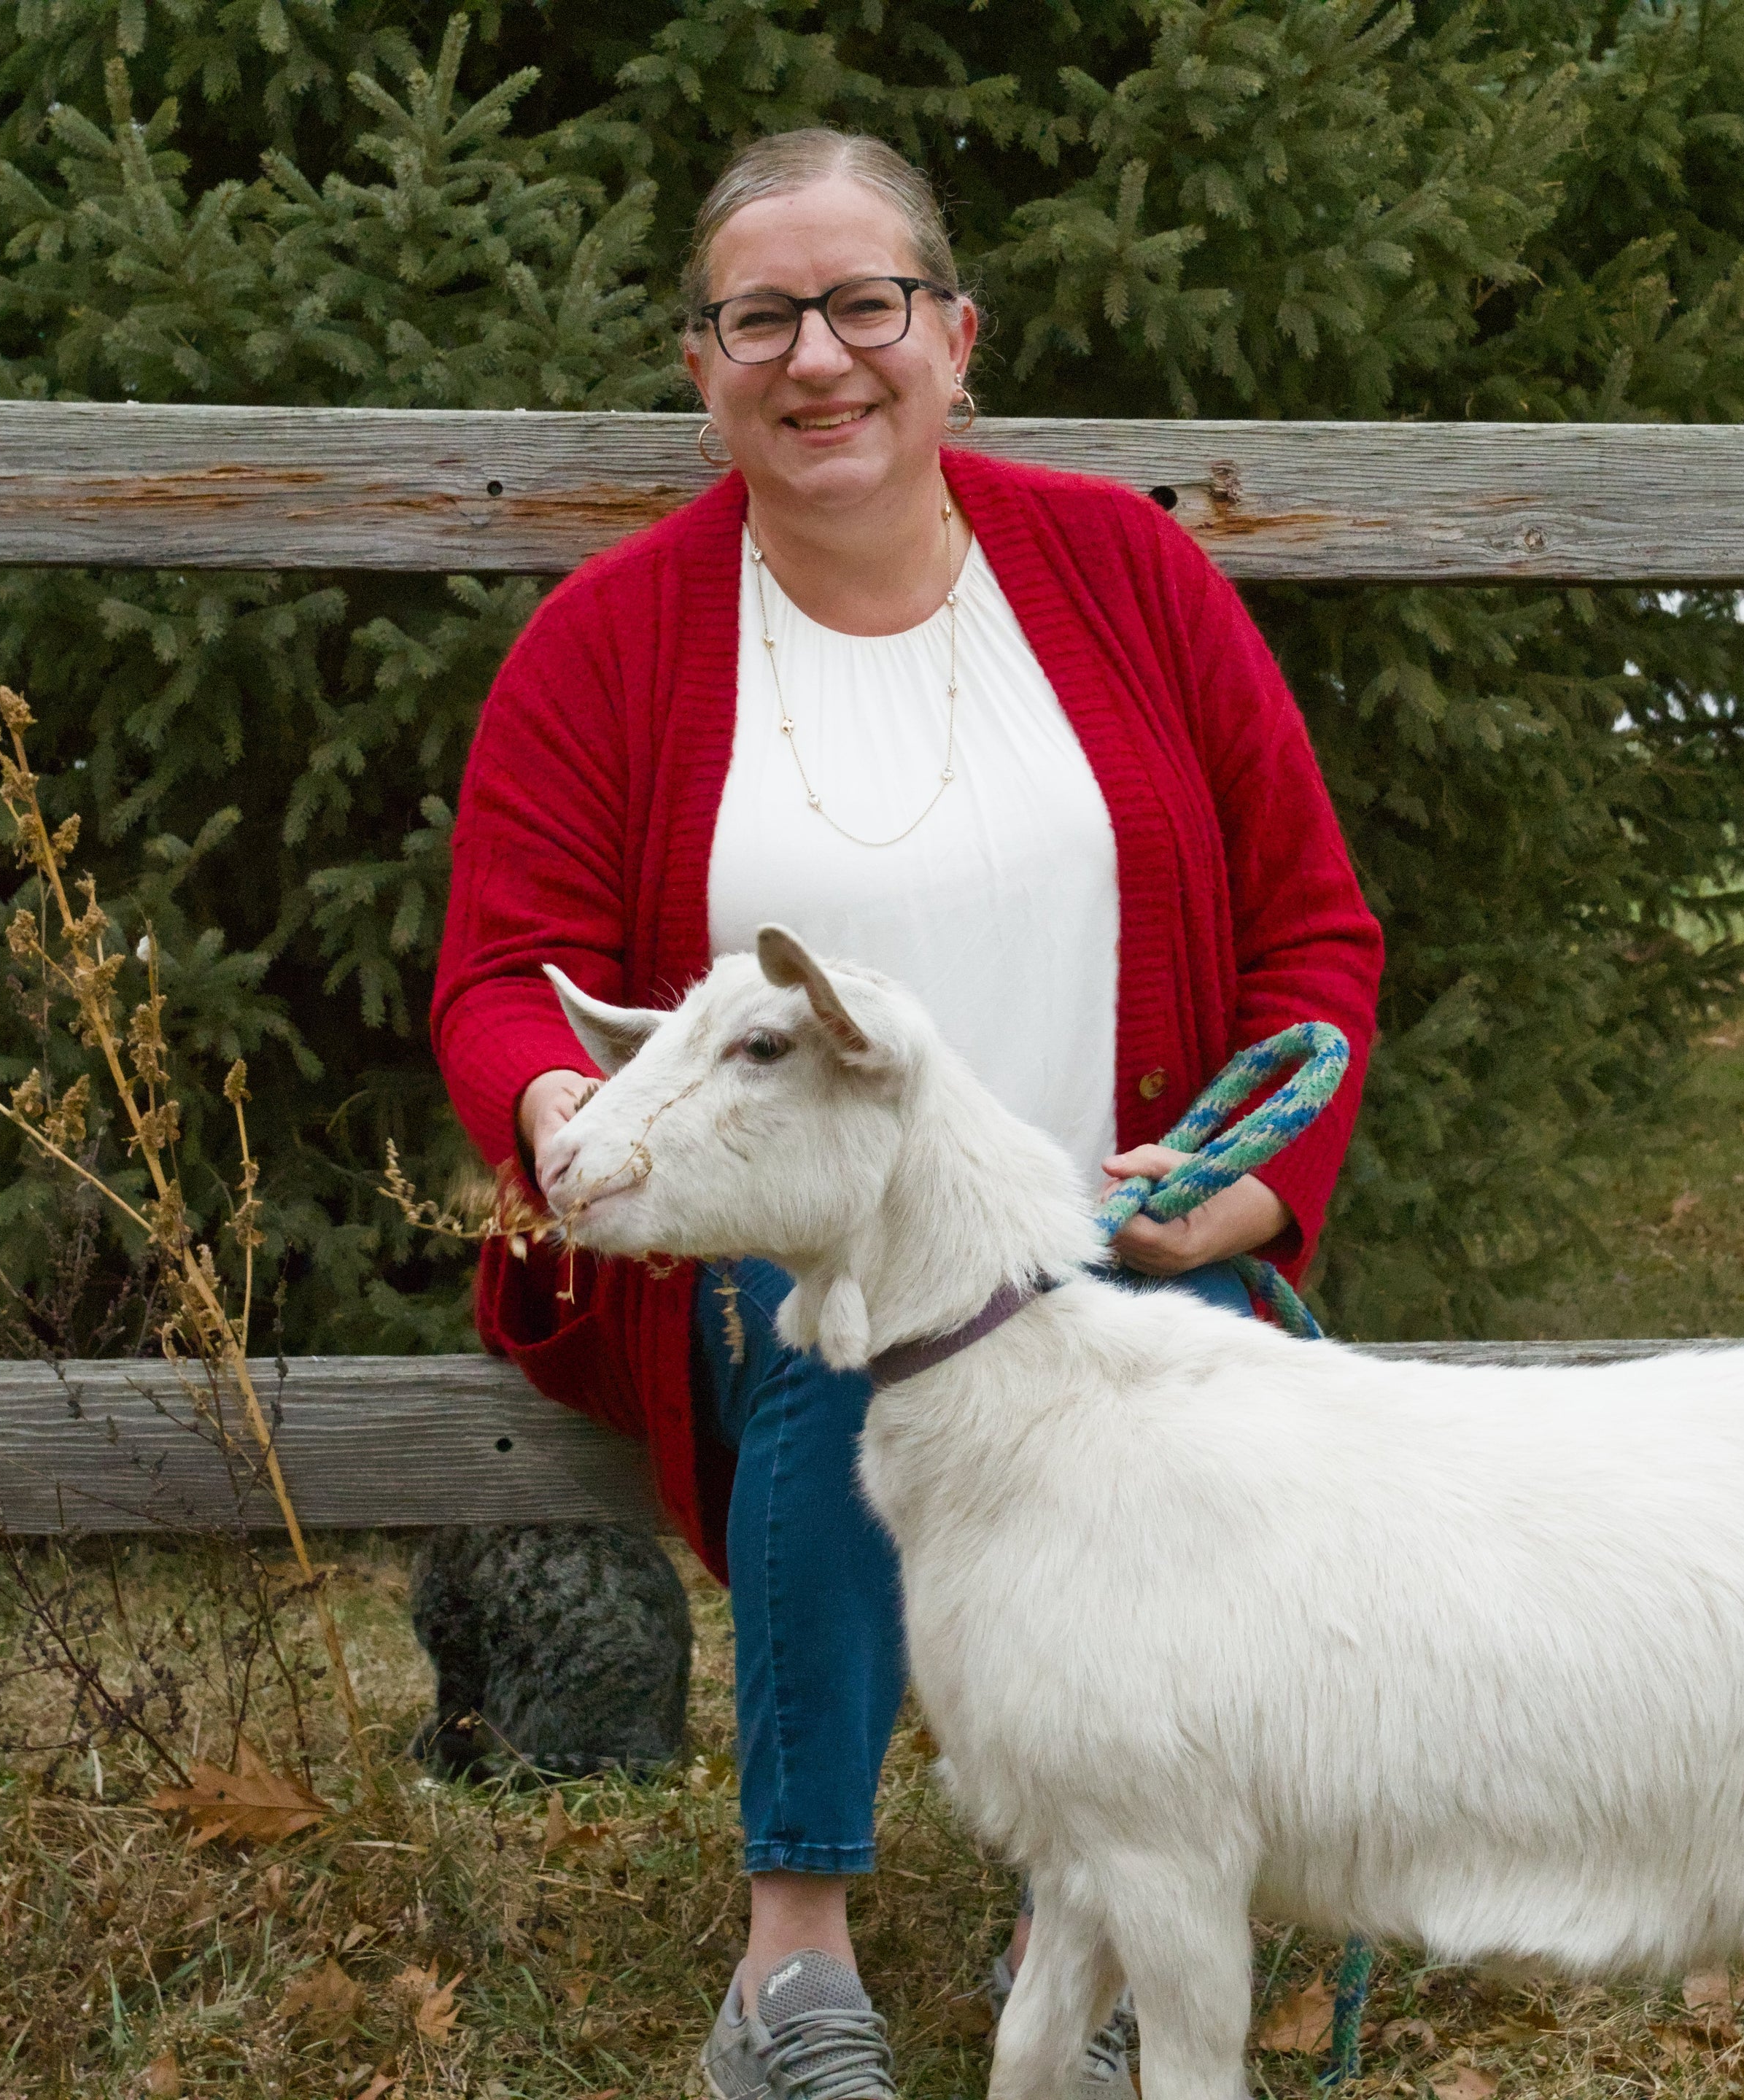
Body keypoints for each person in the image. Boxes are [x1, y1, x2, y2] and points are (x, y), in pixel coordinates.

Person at [430, 125, 1382, 2100]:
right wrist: (575, 1126)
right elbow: (500, 970)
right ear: (702, 364)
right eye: (760, 316)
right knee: (844, 1347)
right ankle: (794, 1974)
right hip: (780, 1259)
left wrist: (1252, 1195)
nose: (819, 357)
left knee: (1166, 1392)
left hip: (1110, 1240)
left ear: (956, 337)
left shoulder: (1126, 575)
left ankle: (1096, 1943)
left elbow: (1316, 935)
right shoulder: (609, 640)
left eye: (865, 305)